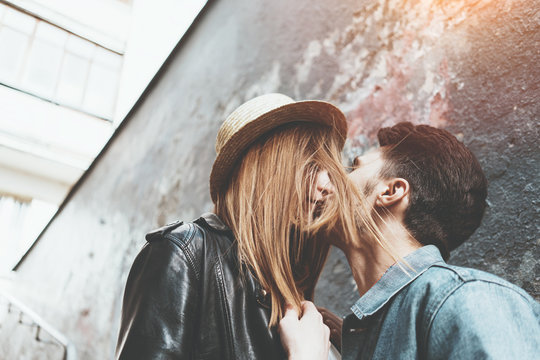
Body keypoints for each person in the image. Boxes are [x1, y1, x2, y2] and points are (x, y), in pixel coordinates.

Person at [115, 93, 391, 359]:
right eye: (310, 165)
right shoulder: (183, 254)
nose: (327, 186)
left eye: (327, 170)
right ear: (266, 167)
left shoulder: (290, 290)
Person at [279, 122, 540, 359]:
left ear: (390, 191)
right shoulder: (366, 336)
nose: (329, 184)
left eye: (353, 168)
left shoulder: (469, 300)